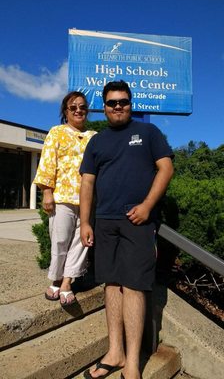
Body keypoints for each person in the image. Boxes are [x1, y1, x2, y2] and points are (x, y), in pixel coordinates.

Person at [80, 80, 174, 379]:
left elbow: (166, 167)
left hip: (138, 221)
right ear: (104, 107)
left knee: (134, 286)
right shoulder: (96, 142)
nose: (117, 106)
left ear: (131, 104)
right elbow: (88, 183)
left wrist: (147, 205)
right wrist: (85, 221)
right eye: (112, 102)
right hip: (105, 222)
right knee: (111, 285)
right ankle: (115, 352)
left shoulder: (148, 133)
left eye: (123, 101)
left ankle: (132, 362)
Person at [33, 91, 96, 306]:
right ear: (66, 111)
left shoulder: (94, 136)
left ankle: (68, 282)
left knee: (80, 243)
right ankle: (56, 278)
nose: (78, 110)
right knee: (60, 240)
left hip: (88, 200)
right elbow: (48, 162)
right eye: (73, 107)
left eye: (82, 107)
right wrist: (47, 192)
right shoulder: (57, 132)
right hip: (62, 197)